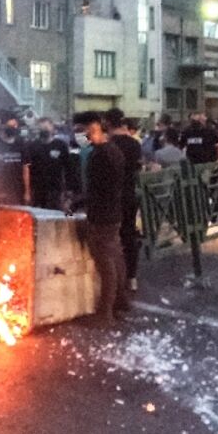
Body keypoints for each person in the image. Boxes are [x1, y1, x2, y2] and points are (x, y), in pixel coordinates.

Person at [73, 111, 128, 324]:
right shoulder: (114, 151)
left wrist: (75, 206)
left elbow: (96, 191)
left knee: (106, 264)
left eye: (84, 130)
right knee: (115, 258)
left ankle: (105, 314)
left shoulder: (100, 155)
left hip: (101, 216)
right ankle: (121, 302)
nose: (82, 135)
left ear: (96, 129)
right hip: (113, 212)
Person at [104, 109, 143, 294]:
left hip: (111, 197)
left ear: (108, 123)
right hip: (129, 195)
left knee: (110, 239)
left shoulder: (108, 145)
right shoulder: (134, 144)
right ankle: (131, 278)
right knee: (129, 236)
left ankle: (113, 281)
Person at [28, 117, 75, 211]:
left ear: (52, 128)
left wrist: (69, 189)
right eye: (41, 128)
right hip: (37, 189)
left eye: (46, 127)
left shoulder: (61, 145)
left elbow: (68, 168)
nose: (44, 130)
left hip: (55, 189)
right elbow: (28, 168)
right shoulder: (32, 146)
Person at [0, 118, 31, 206]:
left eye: (14, 126)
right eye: (9, 126)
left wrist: (27, 191)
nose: (12, 128)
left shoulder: (21, 144)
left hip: (17, 189)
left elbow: (25, 169)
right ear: (3, 127)